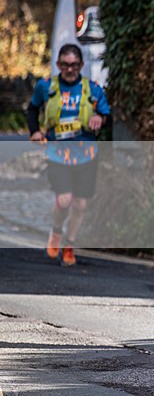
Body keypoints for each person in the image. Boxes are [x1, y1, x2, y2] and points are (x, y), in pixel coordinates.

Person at [27, 43, 110, 266]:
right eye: (65, 65)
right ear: (58, 65)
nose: (70, 69)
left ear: (81, 65)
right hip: (57, 153)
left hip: (86, 153)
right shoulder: (46, 86)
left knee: (81, 204)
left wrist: (98, 119)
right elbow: (32, 109)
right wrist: (35, 131)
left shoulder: (93, 89)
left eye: (74, 65)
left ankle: (70, 245)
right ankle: (56, 232)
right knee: (64, 200)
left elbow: (105, 114)